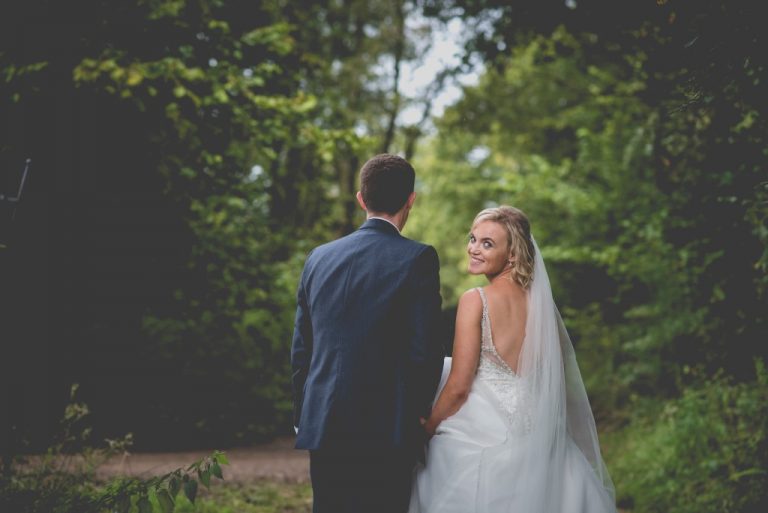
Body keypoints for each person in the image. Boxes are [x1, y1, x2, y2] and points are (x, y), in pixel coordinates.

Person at [409, 206, 617, 513]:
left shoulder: (475, 300)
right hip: (540, 427)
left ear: (512, 255)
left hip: (487, 425)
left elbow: (459, 386)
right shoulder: (542, 307)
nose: (474, 248)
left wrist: (428, 428)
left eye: (487, 243)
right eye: (473, 238)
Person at [291, 154, 445, 513]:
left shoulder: (318, 258)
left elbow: (302, 347)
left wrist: (303, 414)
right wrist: (420, 413)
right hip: (387, 425)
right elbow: (425, 348)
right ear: (411, 200)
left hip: (323, 420)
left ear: (361, 199)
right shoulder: (418, 258)